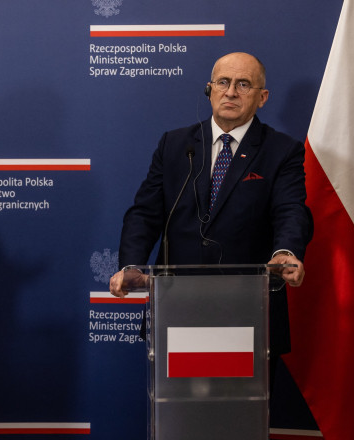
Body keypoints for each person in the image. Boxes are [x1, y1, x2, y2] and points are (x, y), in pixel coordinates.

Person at [109, 52, 313, 358]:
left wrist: (285, 251)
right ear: (210, 89)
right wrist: (132, 265)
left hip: (249, 310)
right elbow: (145, 213)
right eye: (223, 82)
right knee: (179, 403)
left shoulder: (282, 151)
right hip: (177, 305)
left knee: (243, 404)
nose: (230, 92)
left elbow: (291, 210)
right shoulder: (176, 145)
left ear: (262, 97)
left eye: (244, 84)